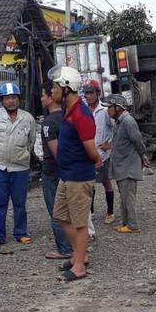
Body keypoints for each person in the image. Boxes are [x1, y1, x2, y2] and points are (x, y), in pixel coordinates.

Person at [49, 65, 102, 283]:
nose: (52, 92)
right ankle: (80, 255)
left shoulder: (81, 114)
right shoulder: (69, 112)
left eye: (54, 87)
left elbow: (91, 149)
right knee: (60, 216)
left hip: (79, 177)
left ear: (66, 88)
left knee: (80, 223)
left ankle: (79, 266)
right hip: (67, 175)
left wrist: (96, 159)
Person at [0, 83, 37, 248]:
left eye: (14, 97)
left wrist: (23, 155)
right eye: (7, 98)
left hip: (20, 168)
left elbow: (31, 142)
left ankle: (21, 233)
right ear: (2, 100)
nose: (11, 101)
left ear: (19, 99)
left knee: (19, 203)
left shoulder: (28, 118)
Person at [101, 94, 147, 234]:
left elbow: (138, 141)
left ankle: (133, 225)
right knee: (124, 196)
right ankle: (126, 223)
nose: (108, 111)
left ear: (118, 108)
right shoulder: (119, 121)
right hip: (122, 165)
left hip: (128, 165)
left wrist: (142, 156)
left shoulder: (128, 121)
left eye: (110, 107)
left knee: (128, 196)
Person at [40, 81, 73, 260]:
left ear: (51, 98)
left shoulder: (48, 124)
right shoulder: (69, 116)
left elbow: (57, 152)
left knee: (56, 211)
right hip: (71, 171)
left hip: (53, 171)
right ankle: (75, 244)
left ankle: (65, 248)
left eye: (43, 95)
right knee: (70, 210)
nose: (41, 99)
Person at [83, 79, 115, 225]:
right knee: (89, 183)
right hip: (88, 152)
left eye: (91, 93)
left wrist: (110, 144)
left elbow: (116, 127)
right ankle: (91, 211)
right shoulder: (83, 110)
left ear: (98, 93)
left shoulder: (105, 110)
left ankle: (110, 212)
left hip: (103, 154)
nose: (88, 96)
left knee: (105, 181)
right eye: (86, 93)